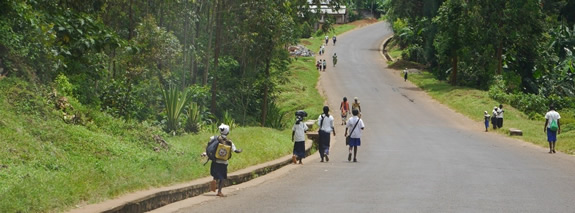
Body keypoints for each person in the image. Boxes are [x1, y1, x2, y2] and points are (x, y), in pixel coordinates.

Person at [202, 124, 242, 197]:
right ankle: (219, 192)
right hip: (224, 162)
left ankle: (213, 186)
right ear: (228, 132)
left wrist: (206, 153)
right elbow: (235, 150)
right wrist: (240, 150)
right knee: (222, 178)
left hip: (215, 160)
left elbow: (209, 147)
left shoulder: (214, 138)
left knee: (215, 175)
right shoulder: (229, 142)